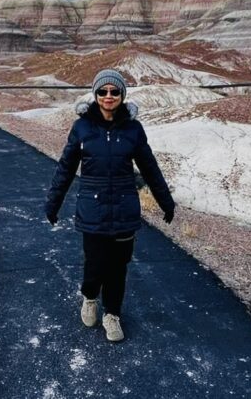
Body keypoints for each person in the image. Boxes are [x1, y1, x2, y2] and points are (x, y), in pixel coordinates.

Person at [44, 69, 175, 343]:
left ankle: (112, 314)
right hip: (92, 210)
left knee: (118, 266)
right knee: (95, 264)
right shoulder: (81, 128)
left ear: (122, 95)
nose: (108, 96)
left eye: (115, 92)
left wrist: (165, 201)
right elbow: (66, 168)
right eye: (103, 91)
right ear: (95, 95)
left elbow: (149, 168)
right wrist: (53, 202)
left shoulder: (133, 129)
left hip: (125, 209)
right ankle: (90, 297)